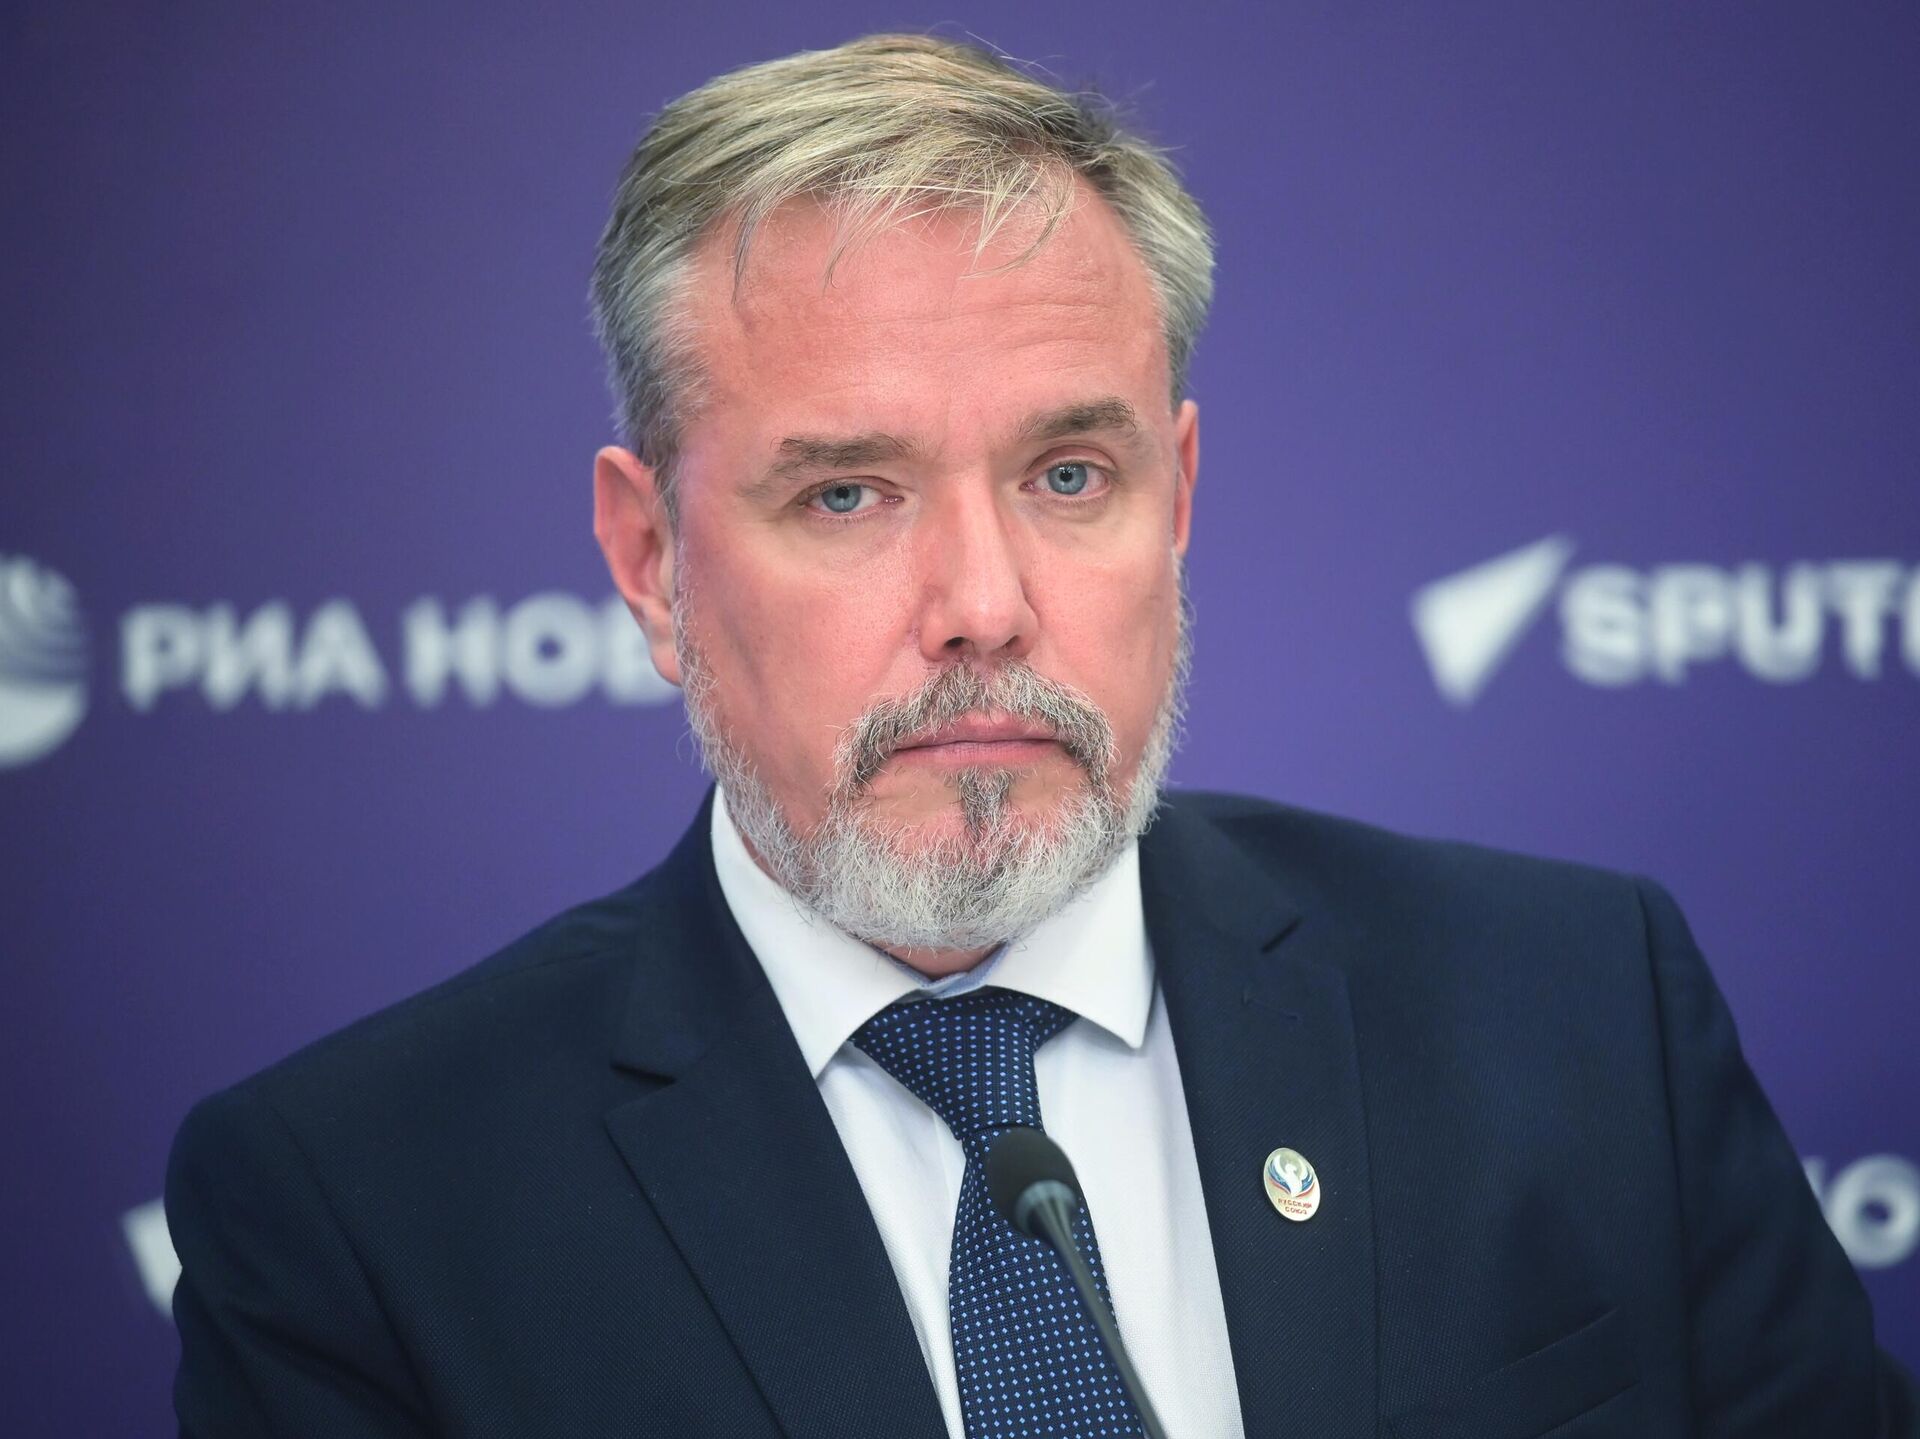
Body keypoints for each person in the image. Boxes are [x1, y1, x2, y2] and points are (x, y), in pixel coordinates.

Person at [166, 33, 1915, 1438]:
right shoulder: (365, 1207)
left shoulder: (1577, 1011)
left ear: (1179, 499)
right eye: (847, 494)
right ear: (650, 561)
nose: (984, 604)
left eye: (1070, 476)